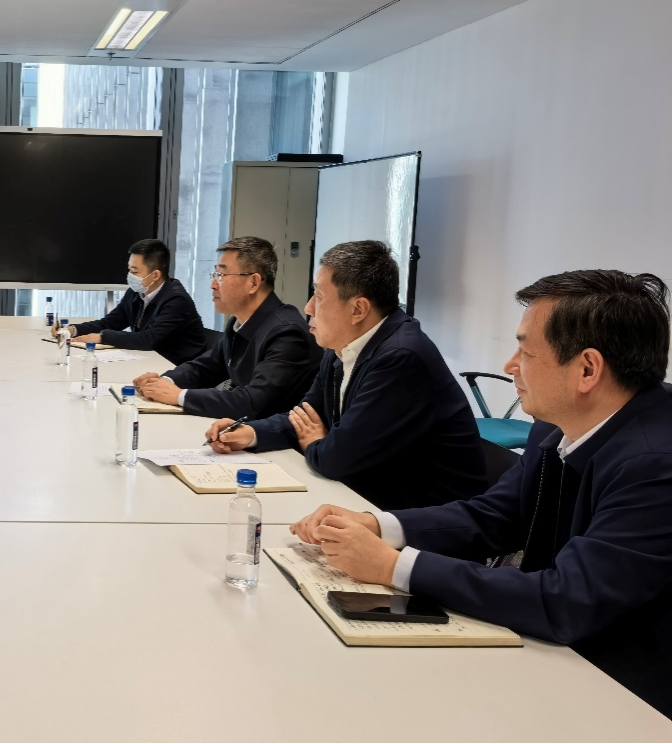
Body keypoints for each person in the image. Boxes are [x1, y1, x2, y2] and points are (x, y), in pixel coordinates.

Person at [291, 270, 672, 716]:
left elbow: (568, 600)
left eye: (526, 351)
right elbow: (496, 515)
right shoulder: (557, 424)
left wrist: (393, 566)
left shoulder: (655, 464)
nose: (510, 365)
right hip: (560, 653)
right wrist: (378, 525)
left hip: (627, 692)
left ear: (587, 369)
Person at [206, 240, 485, 510]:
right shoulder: (342, 345)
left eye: (319, 296)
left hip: (423, 517)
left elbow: (334, 459)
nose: (308, 308)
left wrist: (315, 443)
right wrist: (250, 433)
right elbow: (305, 416)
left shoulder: (400, 358)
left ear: (358, 309)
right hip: (365, 494)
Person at [133, 237, 321, 419]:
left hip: (273, 436)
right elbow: (206, 368)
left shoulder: (287, 333)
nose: (213, 285)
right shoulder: (239, 322)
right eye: (214, 274)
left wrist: (179, 396)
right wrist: (164, 381)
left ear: (253, 283)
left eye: (221, 275)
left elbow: (253, 403)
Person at [52, 239, 206, 366]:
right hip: (150, 361)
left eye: (135, 271)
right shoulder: (135, 292)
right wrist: (72, 330)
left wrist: (102, 337)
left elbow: (149, 339)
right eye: (129, 269)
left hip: (178, 369)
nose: (129, 275)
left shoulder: (177, 301)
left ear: (155, 275)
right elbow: (110, 322)